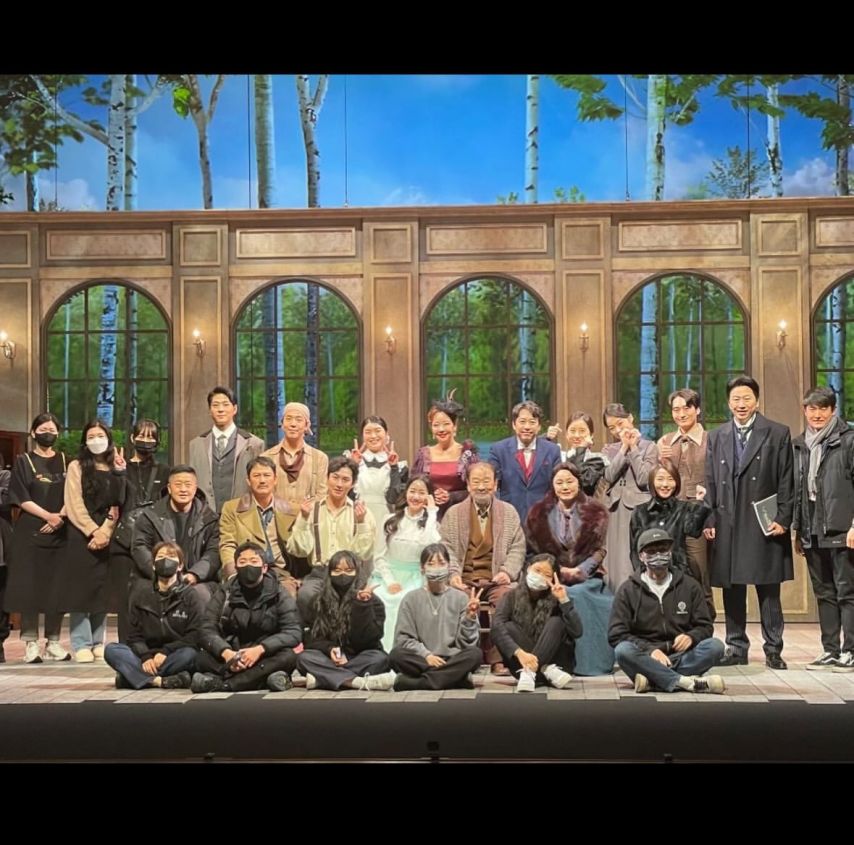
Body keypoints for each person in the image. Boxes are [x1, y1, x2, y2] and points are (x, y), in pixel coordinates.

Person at [704, 376, 794, 669]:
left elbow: (787, 479)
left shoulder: (777, 432)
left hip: (763, 520)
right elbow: (710, 480)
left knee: (768, 587)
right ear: (728, 403)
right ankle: (736, 647)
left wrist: (783, 518)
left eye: (746, 398)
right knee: (732, 587)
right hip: (727, 519)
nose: (741, 404)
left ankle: (773, 649)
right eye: (735, 399)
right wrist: (709, 518)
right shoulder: (717, 435)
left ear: (756, 401)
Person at [609, 528, 726, 695]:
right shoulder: (627, 590)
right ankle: (685, 682)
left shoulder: (690, 586)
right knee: (623, 651)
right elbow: (616, 634)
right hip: (646, 657)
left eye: (663, 550)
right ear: (641, 556)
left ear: (670, 552)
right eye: (651, 551)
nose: (658, 555)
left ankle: (654, 681)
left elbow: (705, 626)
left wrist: (691, 637)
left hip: (682, 655)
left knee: (715, 647)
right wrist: (650, 650)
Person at [525, 461, 614, 675]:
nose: (565, 487)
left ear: (578, 483)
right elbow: (533, 552)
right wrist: (556, 570)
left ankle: (589, 663)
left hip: (587, 577)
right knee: (559, 593)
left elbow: (600, 551)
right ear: (553, 485)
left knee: (579, 594)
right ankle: (550, 659)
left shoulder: (597, 511)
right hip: (550, 576)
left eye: (570, 481)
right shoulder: (538, 513)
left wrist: (581, 570)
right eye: (560, 482)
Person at [440, 461, 526, 673]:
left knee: (506, 599)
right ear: (468, 485)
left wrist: (507, 572)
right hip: (465, 579)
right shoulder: (453, 513)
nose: (481, 486)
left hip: (496, 579)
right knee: (457, 599)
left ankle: (500, 658)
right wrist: (453, 574)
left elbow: (518, 547)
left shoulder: (509, 512)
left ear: (495, 485)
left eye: (486, 481)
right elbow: (446, 548)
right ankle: (465, 658)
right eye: (476, 481)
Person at [792, 386, 854, 671]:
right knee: (824, 592)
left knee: (846, 591)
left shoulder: (848, 440)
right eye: (812, 409)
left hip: (841, 527)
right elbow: (798, 490)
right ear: (805, 411)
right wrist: (798, 530)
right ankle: (830, 649)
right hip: (811, 527)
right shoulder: (800, 445)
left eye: (823, 409)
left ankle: (850, 650)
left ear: (833, 410)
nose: (817, 414)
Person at [191, 541, 303, 693]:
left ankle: (225, 684)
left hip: (264, 653)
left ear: (264, 567)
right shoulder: (225, 591)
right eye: (242, 562)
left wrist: (260, 649)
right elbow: (206, 628)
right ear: (236, 567)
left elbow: (293, 632)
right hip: (233, 651)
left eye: (254, 561)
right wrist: (226, 653)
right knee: (200, 657)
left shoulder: (279, 592)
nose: (248, 565)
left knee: (288, 657)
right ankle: (261, 680)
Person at [4, 413, 70, 663]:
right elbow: (20, 497)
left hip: (61, 529)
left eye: (52, 429)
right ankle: (30, 642)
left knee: (58, 587)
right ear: (33, 433)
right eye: (43, 429)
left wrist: (60, 516)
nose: (47, 433)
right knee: (29, 586)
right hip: (31, 530)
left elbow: (74, 493)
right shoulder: (23, 461)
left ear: (58, 433)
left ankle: (53, 642)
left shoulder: (66, 461)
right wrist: (47, 516)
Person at [63, 420, 127, 662]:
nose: (96, 440)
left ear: (108, 439)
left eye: (100, 435)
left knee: (102, 588)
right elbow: (73, 503)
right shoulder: (76, 466)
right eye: (91, 436)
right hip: (81, 533)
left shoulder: (115, 466)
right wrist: (93, 531)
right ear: (85, 441)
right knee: (80, 589)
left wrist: (106, 531)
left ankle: (98, 640)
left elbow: (119, 502)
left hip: (108, 532)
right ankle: (81, 642)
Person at [285, 456, 377, 620]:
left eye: (345, 480)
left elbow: (364, 554)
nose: (339, 484)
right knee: (306, 596)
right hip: (320, 573)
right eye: (335, 477)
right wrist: (304, 518)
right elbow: (299, 550)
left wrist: (361, 523)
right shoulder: (311, 510)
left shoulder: (361, 512)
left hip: (351, 575)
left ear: (353, 483)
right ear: (327, 479)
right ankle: (313, 634)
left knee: (362, 601)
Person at [104, 541, 201, 690]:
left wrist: (166, 651)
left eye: (171, 556)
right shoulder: (140, 594)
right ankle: (157, 680)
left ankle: (133, 677)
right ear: (154, 565)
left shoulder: (190, 595)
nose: (165, 560)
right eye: (160, 557)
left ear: (180, 566)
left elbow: (194, 635)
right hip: (145, 655)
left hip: (174, 654)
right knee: (112, 650)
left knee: (191, 654)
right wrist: (146, 656)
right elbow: (134, 635)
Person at [297, 550, 396, 691]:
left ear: (357, 572)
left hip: (359, 656)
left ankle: (322, 678)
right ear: (329, 573)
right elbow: (310, 639)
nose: (342, 575)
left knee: (380, 660)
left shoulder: (373, 602)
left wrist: (362, 606)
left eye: (349, 571)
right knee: (304, 658)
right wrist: (329, 649)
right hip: (328, 657)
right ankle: (355, 682)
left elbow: (370, 639)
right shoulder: (318, 601)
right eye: (337, 571)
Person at [389, 543, 483, 691]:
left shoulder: (461, 598)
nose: (436, 568)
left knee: (475, 654)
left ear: (448, 566)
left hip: (452, 659)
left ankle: (418, 683)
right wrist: (427, 656)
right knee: (396, 655)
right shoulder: (410, 599)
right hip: (423, 659)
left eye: (441, 563)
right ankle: (454, 679)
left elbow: (467, 644)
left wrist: (469, 619)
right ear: (422, 568)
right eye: (431, 564)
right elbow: (403, 639)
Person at [110, 418, 170, 642]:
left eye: (151, 437)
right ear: (132, 438)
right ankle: (126, 648)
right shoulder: (121, 468)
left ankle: (152, 646)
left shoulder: (164, 470)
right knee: (125, 600)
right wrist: (118, 473)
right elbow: (114, 500)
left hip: (153, 542)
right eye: (142, 436)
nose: (146, 441)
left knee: (154, 595)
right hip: (124, 541)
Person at [657, 388, 714, 615]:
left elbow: (717, 480)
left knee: (699, 571)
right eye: (676, 409)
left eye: (686, 408)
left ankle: (705, 623)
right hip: (670, 515)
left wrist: (710, 518)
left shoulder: (711, 440)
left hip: (698, 515)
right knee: (671, 570)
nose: (681, 414)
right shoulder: (665, 441)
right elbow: (658, 480)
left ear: (697, 410)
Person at [370, 475, 441, 651]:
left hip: (417, 577)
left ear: (428, 496)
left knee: (406, 600)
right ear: (406, 492)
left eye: (422, 493)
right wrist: (390, 581)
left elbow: (429, 545)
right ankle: (381, 652)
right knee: (380, 598)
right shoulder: (390, 520)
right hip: (388, 575)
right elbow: (379, 556)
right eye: (412, 491)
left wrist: (432, 513)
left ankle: (404, 652)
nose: (416, 497)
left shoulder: (431, 524)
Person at [131, 465, 220, 604]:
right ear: (169, 488)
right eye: (178, 485)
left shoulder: (209, 518)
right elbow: (139, 546)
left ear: (195, 488)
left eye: (188, 485)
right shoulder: (150, 515)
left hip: (197, 580)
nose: (183, 489)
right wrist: (161, 572)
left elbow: (213, 552)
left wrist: (194, 574)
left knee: (199, 595)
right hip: (158, 577)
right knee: (143, 593)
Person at [491, 554, 581, 692]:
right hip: (521, 664)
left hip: (557, 667)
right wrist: (519, 653)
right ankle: (543, 668)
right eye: (537, 570)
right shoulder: (511, 596)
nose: (540, 576)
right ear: (528, 568)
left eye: (547, 575)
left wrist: (564, 601)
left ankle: (530, 672)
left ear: (553, 579)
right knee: (507, 627)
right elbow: (496, 627)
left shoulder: (558, 597)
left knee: (556, 621)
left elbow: (577, 631)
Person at [218, 456, 299, 594]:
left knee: (288, 596)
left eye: (267, 475)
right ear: (248, 481)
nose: (262, 480)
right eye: (256, 476)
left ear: (275, 480)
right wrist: (232, 573)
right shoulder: (232, 508)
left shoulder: (292, 510)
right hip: (245, 570)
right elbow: (227, 544)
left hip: (279, 573)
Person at [601, 403, 658, 591]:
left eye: (620, 423)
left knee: (634, 556)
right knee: (615, 560)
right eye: (612, 428)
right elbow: (609, 475)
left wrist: (633, 448)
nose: (618, 430)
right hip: (615, 509)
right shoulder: (609, 449)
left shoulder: (649, 447)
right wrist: (623, 448)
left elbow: (644, 478)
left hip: (639, 509)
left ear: (631, 418)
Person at [629, 461, 710, 585]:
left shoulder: (683, 508)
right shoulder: (640, 511)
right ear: (652, 482)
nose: (665, 484)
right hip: (650, 575)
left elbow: (693, 531)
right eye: (660, 479)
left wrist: (700, 502)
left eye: (670, 479)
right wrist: (642, 577)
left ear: (676, 482)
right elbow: (635, 550)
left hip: (678, 575)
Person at [188, 386, 265, 514]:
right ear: (210, 410)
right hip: (205, 515)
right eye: (215, 405)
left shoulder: (254, 444)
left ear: (234, 409)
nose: (220, 409)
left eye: (225, 404)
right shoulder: (196, 445)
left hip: (242, 514)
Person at [488, 400, 561, 526]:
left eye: (532, 422)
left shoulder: (552, 450)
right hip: (509, 520)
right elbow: (492, 485)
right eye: (522, 422)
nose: (527, 427)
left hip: (544, 521)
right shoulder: (498, 450)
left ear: (539, 426)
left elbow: (557, 486)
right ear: (514, 424)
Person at [412, 392, 479, 520]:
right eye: (436, 425)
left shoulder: (467, 453)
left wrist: (451, 496)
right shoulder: (423, 455)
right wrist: (431, 496)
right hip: (427, 517)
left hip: (461, 516)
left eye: (446, 424)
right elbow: (413, 487)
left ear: (455, 426)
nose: (441, 429)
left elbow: (477, 488)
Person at [345, 415, 409, 551]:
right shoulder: (352, 461)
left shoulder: (399, 466)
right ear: (362, 436)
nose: (373, 436)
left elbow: (393, 498)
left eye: (378, 431)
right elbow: (346, 495)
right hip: (357, 516)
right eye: (368, 432)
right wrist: (352, 465)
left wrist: (393, 467)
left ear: (387, 435)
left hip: (385, 518)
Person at [261, 402, 328, 506]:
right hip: (275, 515)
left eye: (298, 420)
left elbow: (322, 495)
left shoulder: (319, 458)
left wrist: (303, 510)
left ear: (307, 425)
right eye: (288, 419)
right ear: (282, 424)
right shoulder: (266, 457)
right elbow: (261, 493)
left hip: (308, 515)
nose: (293, 424)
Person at [546, 411, 608, 496]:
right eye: (572, 431)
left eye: (582, 431)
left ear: (591, 435)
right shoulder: (559, 456)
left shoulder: (597, 459)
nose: (577, 435)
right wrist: (546, 438)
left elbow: (584, 483)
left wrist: (581, 448)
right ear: (567, 434)